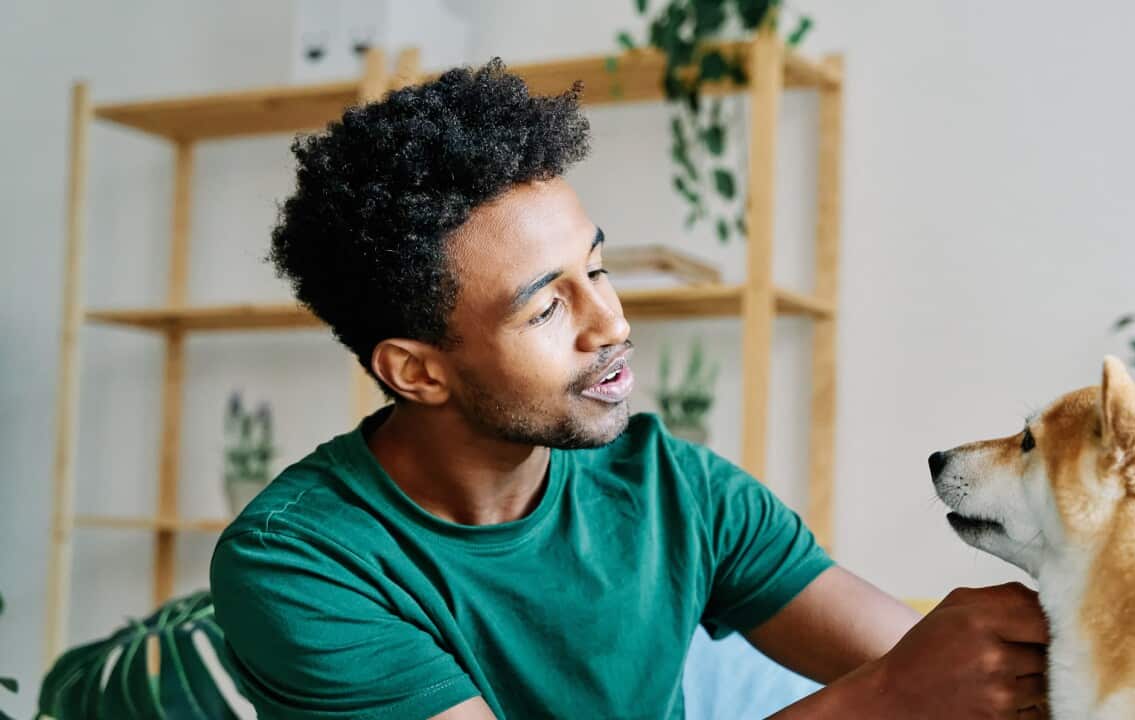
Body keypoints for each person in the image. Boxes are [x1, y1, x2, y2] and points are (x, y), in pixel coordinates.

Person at [209, 59, 1048, 720]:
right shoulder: (297, 561)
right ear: (416, 371)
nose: (609, 322)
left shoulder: (676, 492)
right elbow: (899, 686)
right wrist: (885, 700)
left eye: (598, 268)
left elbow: (937, 669)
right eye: (546, 307)